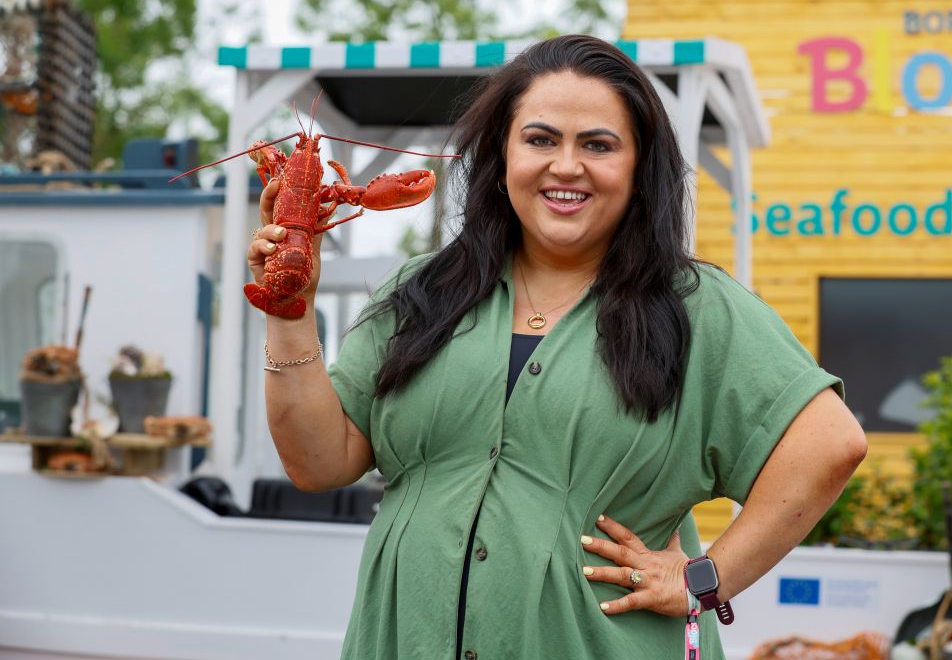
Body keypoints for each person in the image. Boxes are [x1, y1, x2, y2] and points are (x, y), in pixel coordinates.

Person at [248, 34, 867, 659]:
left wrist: (705, 580)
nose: (565, 166)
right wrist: (288, 309)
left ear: (638, 166)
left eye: (597, 145)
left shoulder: (696, 307)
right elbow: (319, 463)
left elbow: (829, 444)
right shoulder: (420, 292)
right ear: (502, 154)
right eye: (540, 139)